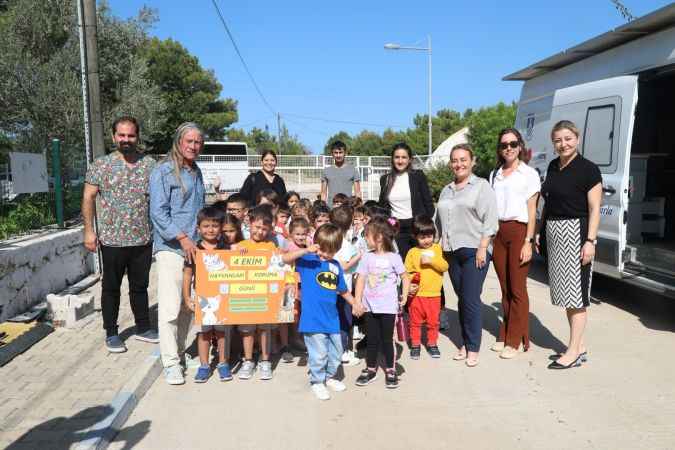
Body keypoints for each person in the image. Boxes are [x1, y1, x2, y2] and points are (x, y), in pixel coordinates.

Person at [82, 116, 159, 353]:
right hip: (112, 241)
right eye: (122, 135)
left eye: (131, 135)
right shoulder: (101, 165)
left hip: (142, 239)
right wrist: (89, 231)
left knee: (140, 287)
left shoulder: (150, 165)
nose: (126, 140)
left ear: (137, 136)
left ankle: (143, 327)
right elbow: (88, 198)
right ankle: (112, 332)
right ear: (114, 136)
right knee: (111, 287)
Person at [538, 120, 602, 370]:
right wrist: (540, 233)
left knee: (577, 297)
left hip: (577, 233)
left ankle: (573, 351)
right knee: (566, 295)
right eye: (558, 140)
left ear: (577, 138)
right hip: (555, 232)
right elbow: (548, 202)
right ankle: (579, 345)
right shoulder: (553, 166)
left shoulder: (588, 169)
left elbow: (595, 208)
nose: (563, 144)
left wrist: (590, 241)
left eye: (567, 138)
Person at [149, 122, 206, 385]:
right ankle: (170, 362)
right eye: (189, 141)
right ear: (179, 142)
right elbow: (158, 212)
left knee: (187, 306)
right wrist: (182, 238)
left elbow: (200, 209)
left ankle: (181, 354)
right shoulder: (162, 171)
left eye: (198, 142)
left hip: (194, 249)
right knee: (170, 307)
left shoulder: (196, 172)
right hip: (172, 248)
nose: (194, 146)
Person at [283, 224, 364, 400]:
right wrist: (306, 251)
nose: (324, 255)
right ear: (316, 243)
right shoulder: (306, 260)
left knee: (336, 352)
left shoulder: (335, 266)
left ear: (336, 250)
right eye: (322, 249)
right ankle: (317, 381)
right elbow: (285, 259)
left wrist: (355, 303)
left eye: (329, 251)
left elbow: (342, 290)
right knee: (318, 354)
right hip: (312, 319)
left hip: (332, 319)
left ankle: (329, 376)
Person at [435, 143, 498, 367]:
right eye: (454, 160)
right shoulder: (446, 189)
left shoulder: (481, 186)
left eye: (463, 159)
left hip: (475, 251)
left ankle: (472, 347)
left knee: (470, 298)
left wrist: (483, 248)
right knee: (462, 298)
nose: (458, 164)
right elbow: (438, 223)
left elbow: (490, 221)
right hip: (451, 252)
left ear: (472, 162)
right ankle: (464, 342)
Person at [489, 128, 541, 359]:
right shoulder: (495, 174)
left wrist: (528, 241)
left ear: (520, 146)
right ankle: (506, 330)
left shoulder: (529, 174)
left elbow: (532, 211)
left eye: (512, 144)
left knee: (518, 288)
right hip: (498, 232)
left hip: (519, 231)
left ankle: (515, 340)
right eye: (503, 145)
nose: (508, 148)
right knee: (505, 288)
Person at [354, 217, 410, 389]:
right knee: (371, 338)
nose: (365, 238)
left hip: (388, 307)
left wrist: (405, 296)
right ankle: (370, 368)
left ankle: (391, 370)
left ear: (378, 237)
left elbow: (405, 278)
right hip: (369, 307)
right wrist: (357, 301)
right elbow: (361, 280)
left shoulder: (394, 258)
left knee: (387, 339)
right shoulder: (366, 258)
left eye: (367, 235)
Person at [181, 206, 232, 382]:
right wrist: (187, 298)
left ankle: (223, 364)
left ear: (220, 227)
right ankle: (204, 365)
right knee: (204, 334)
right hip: (202, 299)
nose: (210, 230)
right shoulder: (194, 251)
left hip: (222, 299)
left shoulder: (227, 249)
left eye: (215, 226)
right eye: (206, 226)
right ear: (198, 228)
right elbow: (187, 275)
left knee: (221, 333)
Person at [236, 205, 279, 380]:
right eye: (257, 227)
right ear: (250, 223)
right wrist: (236, 253)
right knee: (247, 331)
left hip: (266, 297)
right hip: (246, 297)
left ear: (269, 229)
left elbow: (280, 265)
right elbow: (229, 260)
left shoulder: (271, 246)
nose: (260, 231)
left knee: (265, 330)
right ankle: (248, 360)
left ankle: (265, 360)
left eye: (264, 229)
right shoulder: (240, 245)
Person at [378, 142, 435, 260]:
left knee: (421, 263)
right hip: (396, 228)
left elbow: (428, 203)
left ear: (410, 160)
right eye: (397, 157)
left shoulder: (418, 176)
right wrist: (390, 224)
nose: (400, 161)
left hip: (416, 226)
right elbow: (382, 207)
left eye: (404, 157)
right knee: (402, 264)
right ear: (392, 159)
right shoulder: (385, 179)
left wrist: (424, 224)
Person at [404, 215, 448, 359]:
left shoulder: (436, 249)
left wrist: (432, 261)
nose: (426, 240)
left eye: (429, 236)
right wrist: (411, 281)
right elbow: (406, 272)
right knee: (415, 322)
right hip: (417, 295)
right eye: (422, 237)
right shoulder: (412, 252)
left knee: (433, 322)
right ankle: (415, 344)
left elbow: (444, 266)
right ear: (415, 237)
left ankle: (432, 343)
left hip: (434, 294)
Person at [329, 205, 362, 366]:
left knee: (336, 321)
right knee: (344, 322)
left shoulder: (328, 241)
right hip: (344, 291)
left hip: (328, 289)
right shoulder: (347, 246)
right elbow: (344, 266)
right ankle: (343, 352)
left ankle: (340, 350)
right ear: (349, 225)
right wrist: (358, 256)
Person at [321, 140, 361, 207]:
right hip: (332, 208)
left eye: (340, 152)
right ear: (332, 154)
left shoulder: (353, 170)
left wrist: (359, 207)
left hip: (348, 208)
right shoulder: (326, 171)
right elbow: (323, 193)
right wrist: (323, 207)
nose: (338, 155)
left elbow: (358, 192)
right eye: (336, 153)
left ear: (345, 153)